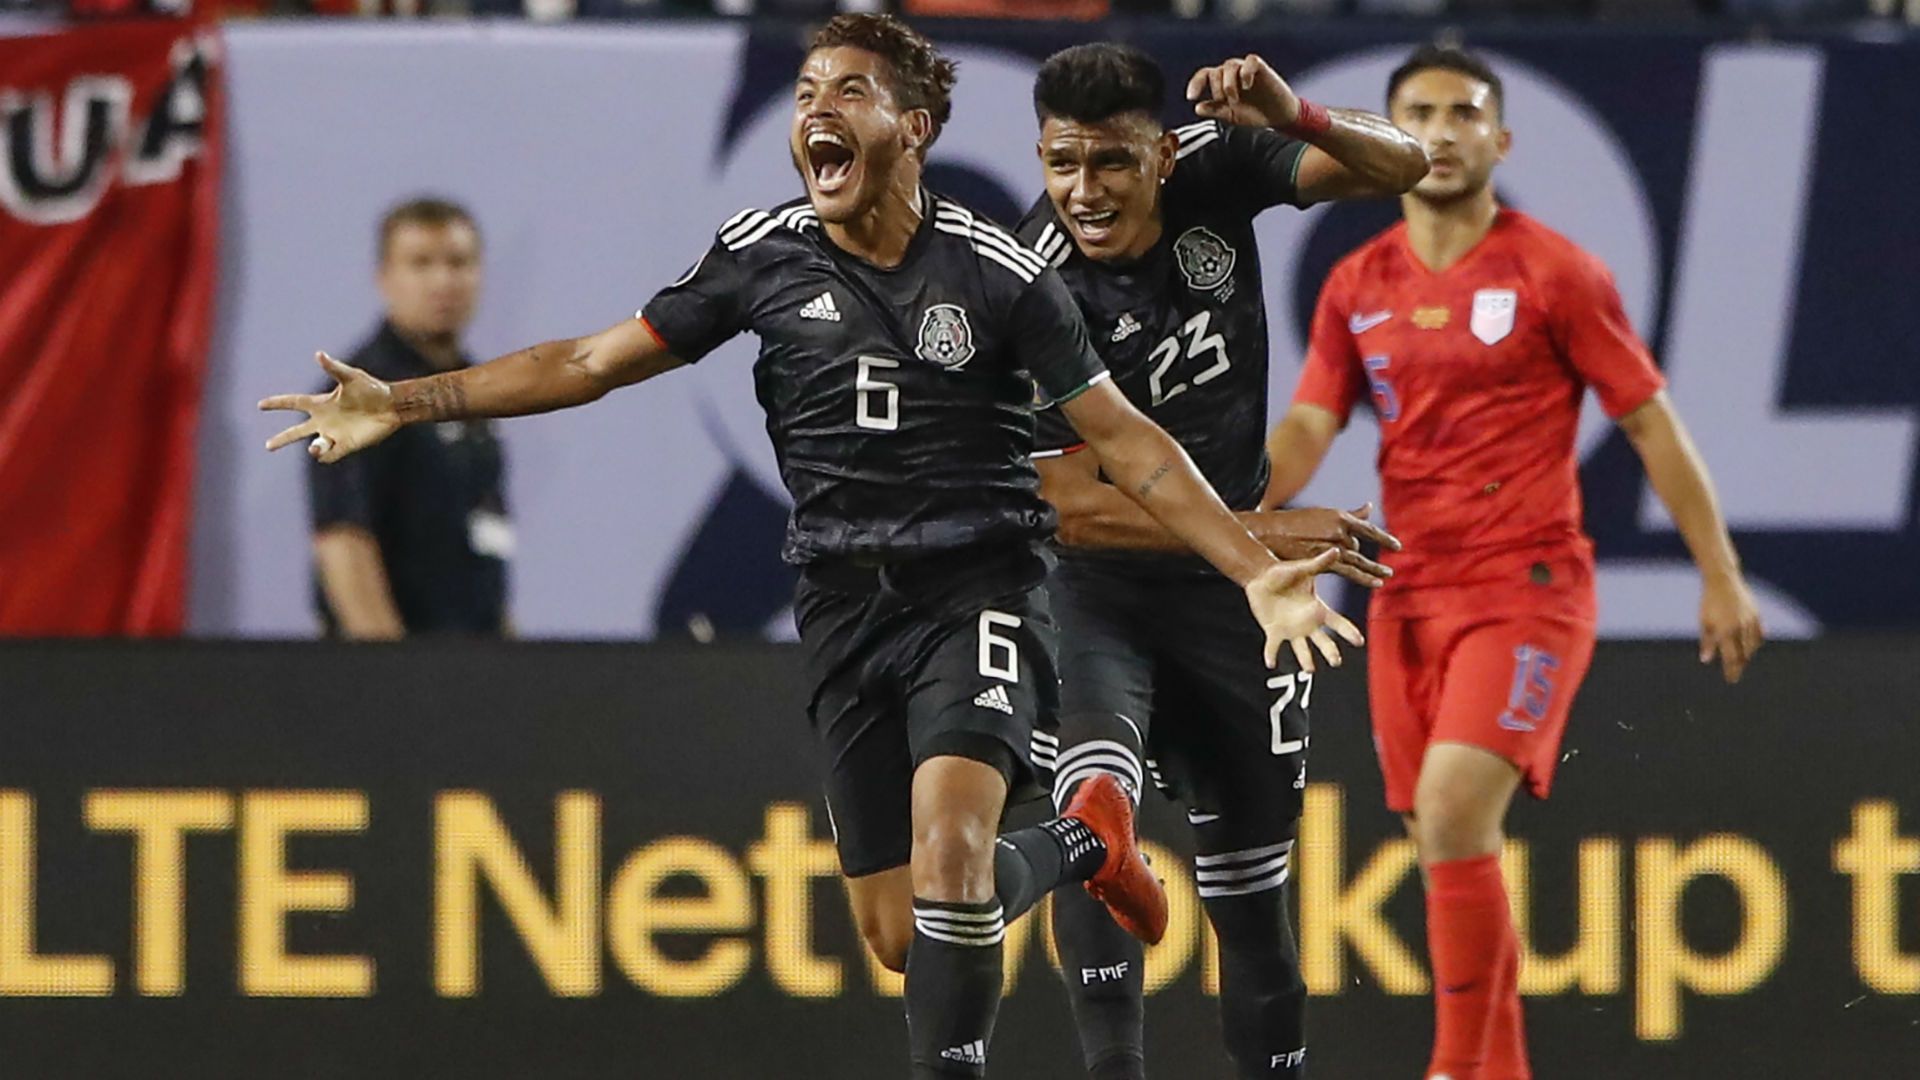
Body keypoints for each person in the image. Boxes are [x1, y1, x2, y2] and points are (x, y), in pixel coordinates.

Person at [261, 15, 1361, 1077]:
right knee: (902, 934)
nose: (816, 114)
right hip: (841, 605)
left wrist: (1253, 569)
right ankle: (1084, 844)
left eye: (849, 92)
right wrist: (407, 402)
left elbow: (1131, 444)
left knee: (951, 858)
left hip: (977, 588)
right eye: (804, 96)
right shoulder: (760, 257)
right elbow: (588, 363)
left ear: (914, 127)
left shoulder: (1002, 274)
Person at [1265, 45, 1766, 1080]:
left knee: (1451, 809)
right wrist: (1222, 514)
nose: (1442, 132)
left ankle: (1453, 1069)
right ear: (1389, 138)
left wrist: (1718, 572)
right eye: (1419, 113)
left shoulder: (1557, 271)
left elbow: (1651, 426)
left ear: (1500, 140)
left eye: (1463, 113)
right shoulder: (1358, 284)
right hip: (1404, 591)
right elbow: (1309, 426)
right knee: (1444, 841)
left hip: (1526, 588)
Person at [1011, 43, 1427, 1080]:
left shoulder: (1221, 170)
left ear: (1163, 153)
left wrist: (1296, 115)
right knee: (1092, 826)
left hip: (1238, 599)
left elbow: (1407, 165)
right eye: (1063, 163)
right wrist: (1266, 538)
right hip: (1102, 591)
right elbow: (1069, 510)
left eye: (1110, 163)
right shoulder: (1028, 285)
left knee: (1251, 898)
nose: (1083, 191)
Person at [308, 197, 510, 640]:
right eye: (421, 264)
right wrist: (396, 678)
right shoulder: (357, 399)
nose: (443, 281)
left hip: (474, 668)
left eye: (459, 263)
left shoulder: (480, 391)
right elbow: (344, 542)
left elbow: (489, 542)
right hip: (394, 680)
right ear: (384, 278)